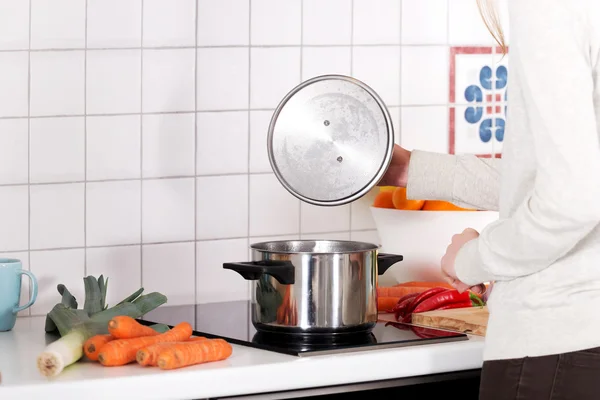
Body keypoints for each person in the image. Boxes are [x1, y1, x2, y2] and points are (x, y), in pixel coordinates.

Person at [378, 0, 600, 398]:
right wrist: (410, 170)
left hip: (559, 342)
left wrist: (472, 258)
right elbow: (565, 176)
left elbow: (573, 199)